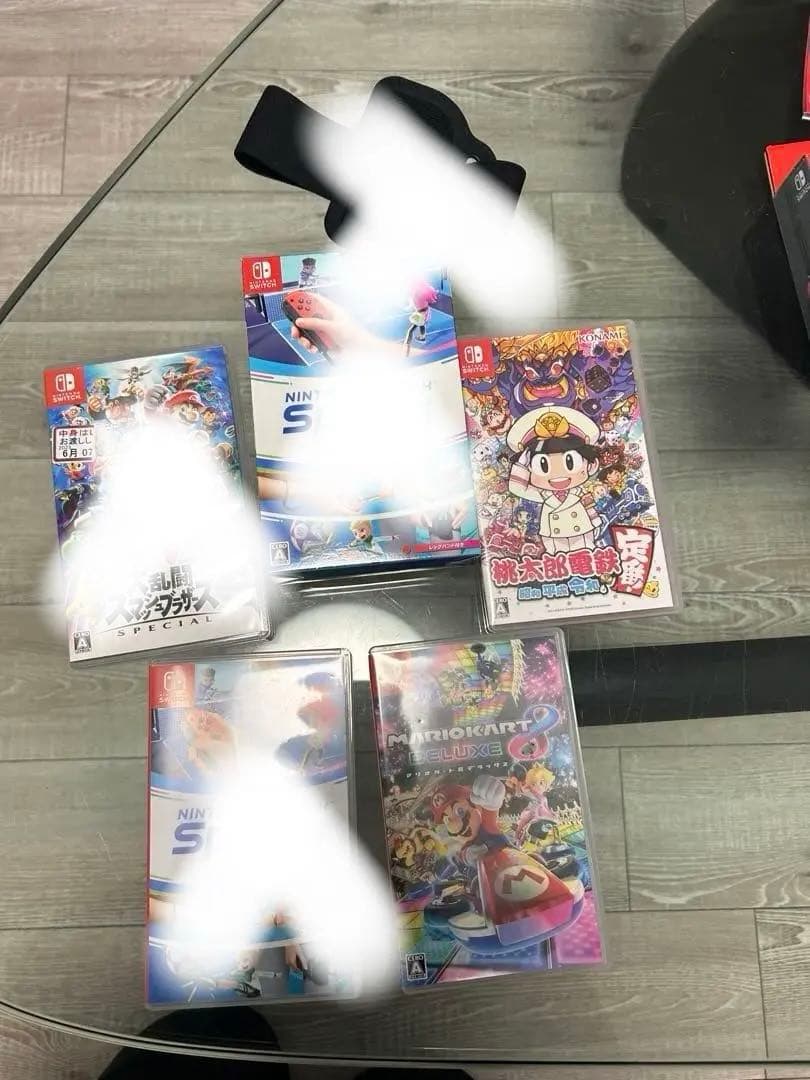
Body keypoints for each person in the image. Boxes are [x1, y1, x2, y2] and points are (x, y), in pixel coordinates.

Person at [506, 405, 603, 555]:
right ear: (529, 468)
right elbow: (517, 488)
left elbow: (589, 508)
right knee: (556, 557)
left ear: (591, 465)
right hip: (553, 537)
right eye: (542, 465)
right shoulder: (543, 494)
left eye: (570, 462)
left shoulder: (580, 492)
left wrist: (596, 524)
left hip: (582, 532)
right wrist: (521, 465)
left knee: (587, 555)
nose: (558, 474)